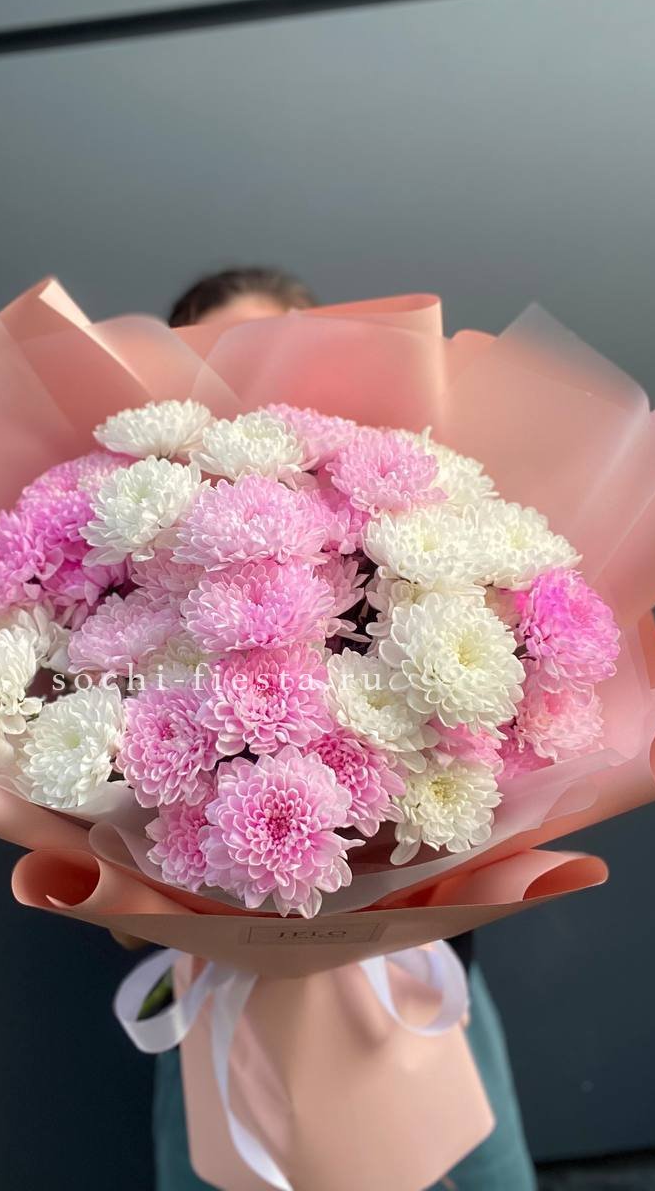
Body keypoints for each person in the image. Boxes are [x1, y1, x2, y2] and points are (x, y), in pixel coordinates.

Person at [150, 265, 538, 1191]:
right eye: (220, 365)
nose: (256, 387)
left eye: (275, 352)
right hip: (224, 1015)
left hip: (417, 994)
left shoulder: (420, 518)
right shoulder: (160, 549)